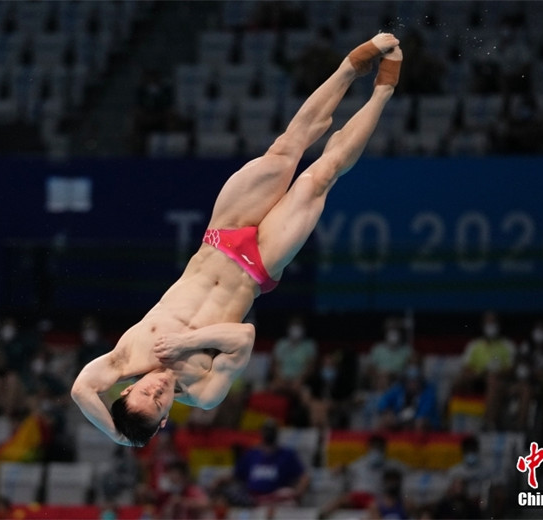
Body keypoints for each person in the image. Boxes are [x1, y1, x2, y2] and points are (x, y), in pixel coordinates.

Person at [71, 33, 403, 447]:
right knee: (320, 177)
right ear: (165, 418)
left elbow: (81, 391)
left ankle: (349, 68)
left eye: (144, 394)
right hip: (259, 265)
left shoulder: (123, 359)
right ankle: (383, 92)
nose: (156, 392)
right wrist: (186, 342)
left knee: (285, 149)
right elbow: (244, 337)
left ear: (125, 391)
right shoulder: (203, 393)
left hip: (220, 235)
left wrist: (121, 437)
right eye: (158, 404)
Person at [213, 420, 309, 507]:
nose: (269, 433)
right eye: (267, 430)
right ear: (261, 432)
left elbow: (304, 477)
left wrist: (298, 492)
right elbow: (235, 475)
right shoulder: (251, 454)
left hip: (276, 497)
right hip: (251, 498)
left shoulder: (287, 455)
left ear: (277, 432)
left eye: (271, 430)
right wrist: (220, 481)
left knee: (288, 495)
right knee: (228, 493)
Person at [319, 434, 406, 519]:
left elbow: (406, 472)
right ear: (369, 448)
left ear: (384, 449)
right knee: (342, 500)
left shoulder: (391, 465)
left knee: (376, 507)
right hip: (358, 496)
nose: (376, 451)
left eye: (379, 448)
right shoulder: (360, 463)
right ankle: (321, 515)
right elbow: (346, 468)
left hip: (376, 498)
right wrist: (341, 468)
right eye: (374, 448)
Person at [455, 311, 516, 430]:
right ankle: (449, 422)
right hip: (478, 379)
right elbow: (466, 368)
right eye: (488, 322)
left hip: (500, 381)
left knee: (492, 380)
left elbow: (511, 369)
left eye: (493, 322)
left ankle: (489, 423)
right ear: (483, 325)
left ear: (498, 324)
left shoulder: (507, 345)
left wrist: (496, 373)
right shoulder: (474, 345)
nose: (490, 326)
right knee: (458, 381)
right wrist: (481, 373)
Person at [377, 357, 440, 432]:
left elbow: (425, 412)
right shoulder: (398, 389)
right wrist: (387, 412)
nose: (412, 384)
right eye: (410, 381)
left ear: (420, 381)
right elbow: (383, 401)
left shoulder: (428, 391)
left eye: (415, 381)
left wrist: (407, 421)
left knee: (420, 423)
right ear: (405, 381)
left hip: (420, 422)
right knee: (384, 419)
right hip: (400, 419)